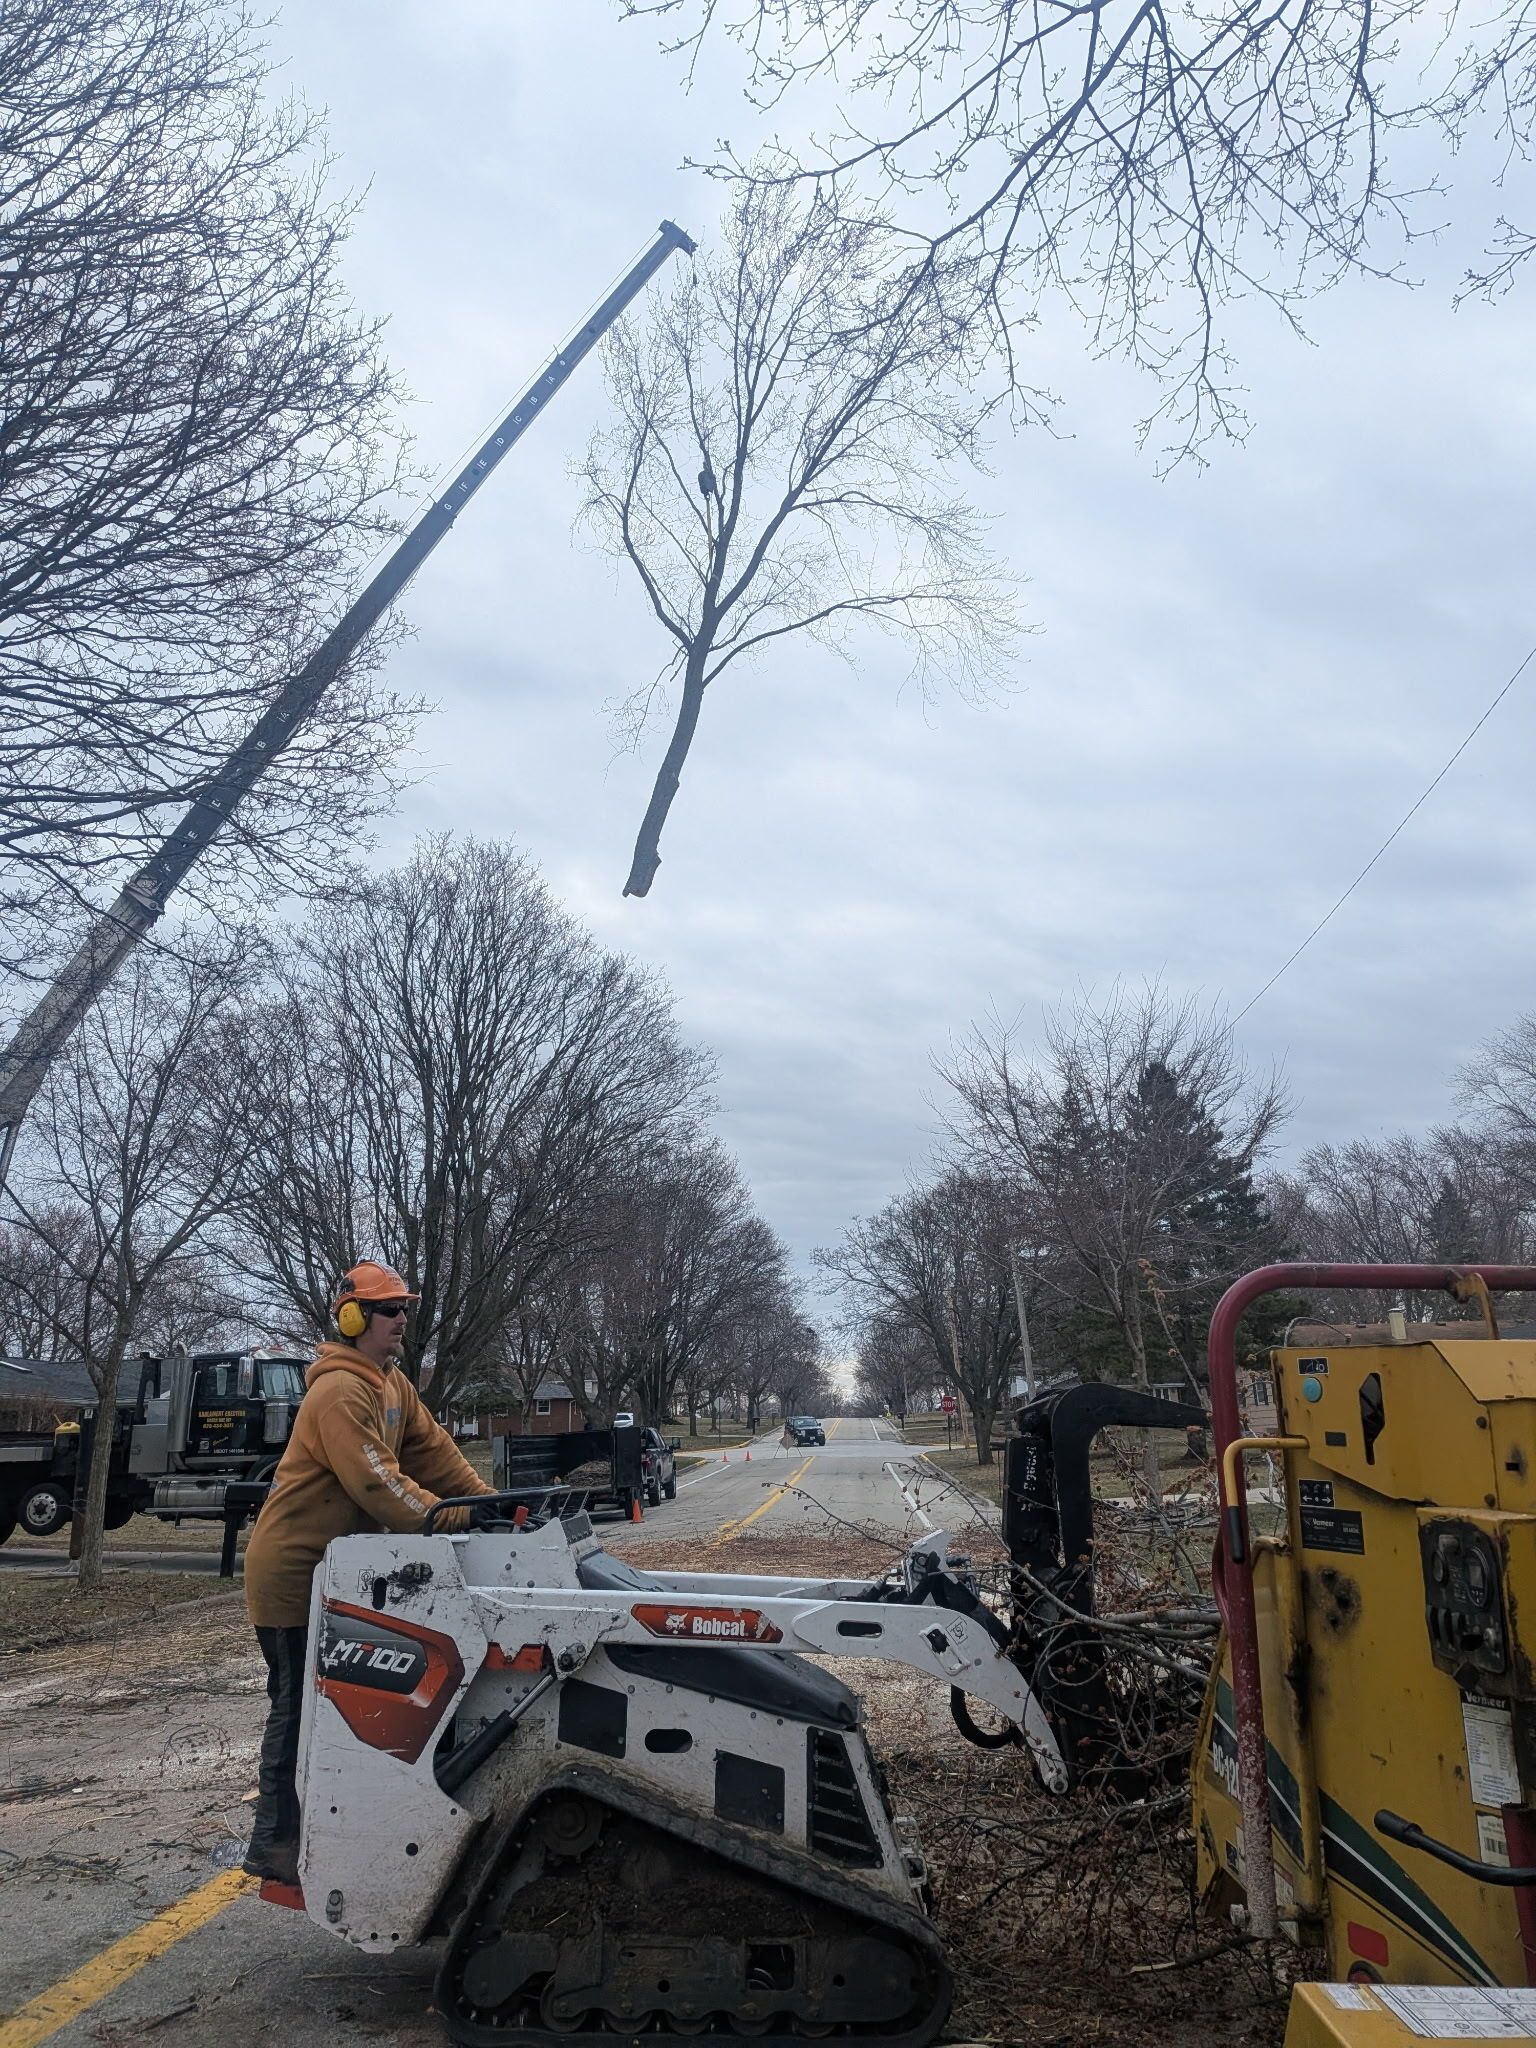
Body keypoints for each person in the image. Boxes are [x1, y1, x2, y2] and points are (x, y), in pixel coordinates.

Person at [242, 1260, 497, 1886]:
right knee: (296, 1708)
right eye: (388, 1310)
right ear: (353, 1318)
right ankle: (274, 1844)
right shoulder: (338, 1392)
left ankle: (327, 1833)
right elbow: (378, 1485)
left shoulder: (390, 1384)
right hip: (292, 1576)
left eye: (405, 1308)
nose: (401, 1319)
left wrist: (490, 1505)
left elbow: (434, 1453)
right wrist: (449, 1520)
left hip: (341, 1577)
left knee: (339, 1710)